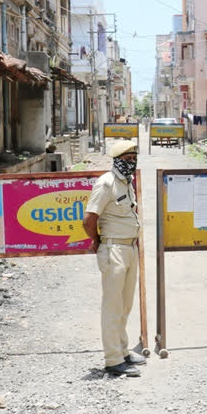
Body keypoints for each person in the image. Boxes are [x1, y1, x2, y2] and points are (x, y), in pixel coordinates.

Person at [82, 140, 145, 377]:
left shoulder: (126, 183)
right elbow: (89, 219)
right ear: (117, 160)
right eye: (127, 160)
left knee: (125, 304)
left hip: (129, 249)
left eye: (133, 159)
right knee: (112, 306)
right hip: (113, 250)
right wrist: (97, 241)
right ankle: (113, 360)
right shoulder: (106, 183)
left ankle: (123, 350)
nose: (132, 163)